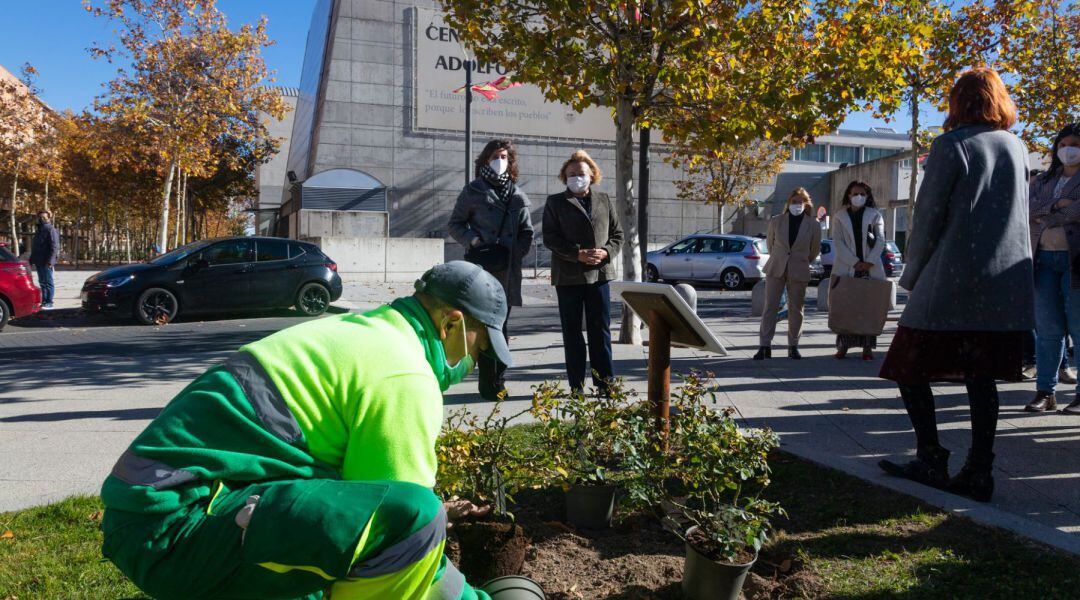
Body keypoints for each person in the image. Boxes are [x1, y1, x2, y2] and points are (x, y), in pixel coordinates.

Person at [100, 261, 514, 600]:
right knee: (412, 516)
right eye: (478, 349)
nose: (473, 364)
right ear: (450, 324)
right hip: (172, 530)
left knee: (336, 523)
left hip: (156, 512)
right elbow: (398, 532)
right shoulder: (405, 373)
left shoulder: (367, 333)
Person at [878, 68, 1033, 503]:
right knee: (982, 379)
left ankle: (930, 456)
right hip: (1002, 284)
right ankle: (979, 470)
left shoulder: (952, 145)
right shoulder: (1017, 146)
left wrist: (911, 276)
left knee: (906, 366)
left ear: (958, 102)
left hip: (953, 278)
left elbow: (927, 219)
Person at [449, 139, 535, 400]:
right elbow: (455, 224)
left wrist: (513, 253)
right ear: (486, 160)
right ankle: (488, 383)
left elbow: (527, 232)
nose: (501, 161)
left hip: (506, 270)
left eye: (505, 156)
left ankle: (498, 381)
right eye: (496, 156)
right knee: (485, 326)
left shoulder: (517, 195)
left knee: (501, 327)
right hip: (480, 269)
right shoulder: (472, 191)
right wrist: (474, 241)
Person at [542, 149, 623, 395]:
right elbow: (550, 238)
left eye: (581, 173)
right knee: (572, 333)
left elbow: (618, 235)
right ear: (565, 177)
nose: (577, 177)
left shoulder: (604, 200)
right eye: (572, 174)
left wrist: (606, 252)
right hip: (568, 277)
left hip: (599, 276)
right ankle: (576, 385)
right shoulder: (555, 202)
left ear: (592, 175)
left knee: (601, 332)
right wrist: (576, 253)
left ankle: (605, 384)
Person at [1025, 123, 1080, 414]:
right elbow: (1029, 209)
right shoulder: (1044, 179)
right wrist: (1061, 205)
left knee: (1079, 328)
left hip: (1075, 262)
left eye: (1074, 143)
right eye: (1062, 144)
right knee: (1048, 330)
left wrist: (1049, 211)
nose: (1067, 149)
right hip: (1043, 260)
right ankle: (1046, 392)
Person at [754, 187, 822, 360]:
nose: (797, 205)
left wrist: (801, 260)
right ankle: (764, 345)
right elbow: (771, 244)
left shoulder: (813, 224)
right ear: (788, 202)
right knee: (770, 307)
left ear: (806, 204)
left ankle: (793, 346)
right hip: (776, 267)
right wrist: (780, 258)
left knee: (796, 309)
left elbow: (814, 250)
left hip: (799, 269)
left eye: (800, 202)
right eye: (794, 201)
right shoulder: (776, 221)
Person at [831, 181, 887, 361]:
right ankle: (843, 346)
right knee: (847, 306)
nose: (858, 197)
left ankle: (867, 348)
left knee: (868, 307)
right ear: (848, 195)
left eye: (862, 194)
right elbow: (838, 242)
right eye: (855, 193)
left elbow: (880, 240)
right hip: (848, 267)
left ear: (867, 196)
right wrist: (854, 262)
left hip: (869, 268)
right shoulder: (839, 216)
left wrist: (869, 262)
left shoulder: (875, 215)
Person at [28, 209, 59, 309]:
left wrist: (50, 261)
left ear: (49, 218)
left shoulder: (51, 229)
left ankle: (49, 302)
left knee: (48, 282)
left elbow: (54, 247)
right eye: (40, 217)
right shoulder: (39, 230)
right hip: (38, 261)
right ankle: (44, 301)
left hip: (46, 262)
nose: (42, 219)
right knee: (42, 282)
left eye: (44, 217)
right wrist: (31, 260)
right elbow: (35, 247)